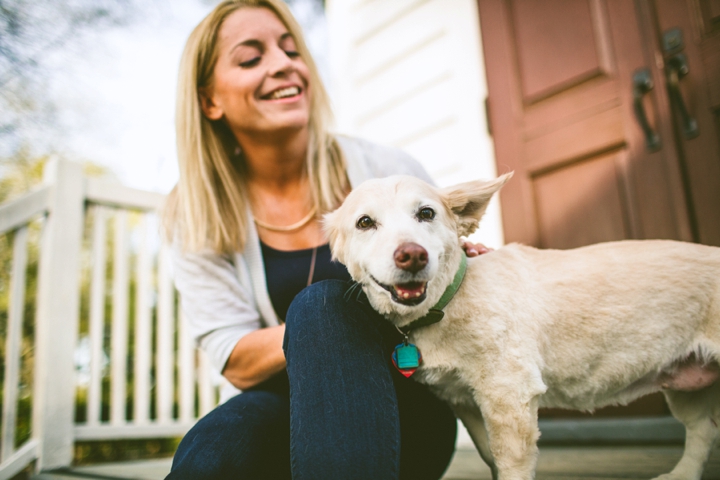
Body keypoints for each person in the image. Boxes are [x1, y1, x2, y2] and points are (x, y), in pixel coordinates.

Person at [163, 1, 490, 478]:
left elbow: (452, 278)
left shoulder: (386, 172)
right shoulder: (194, 213)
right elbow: (234, 358)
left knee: (321, 306)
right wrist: (330, 325)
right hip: (293, 408)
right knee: (214, 445)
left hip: (408, 407)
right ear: (210, 100)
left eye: (291, 50)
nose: (283, 64)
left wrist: (463, 271)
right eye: (251, 58)